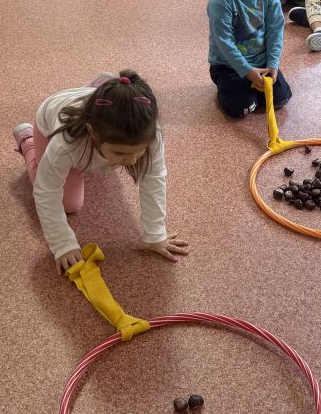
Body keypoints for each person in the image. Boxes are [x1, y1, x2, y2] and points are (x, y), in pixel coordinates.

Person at [11, 71, 188, 273]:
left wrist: (155, 234)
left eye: (139, 151)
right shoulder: (66, 143)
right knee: (69, 204)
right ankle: (28, 141)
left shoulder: (150, 132)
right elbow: (46, 190)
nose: (132, 161)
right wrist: (62, 244)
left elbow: (154, 178)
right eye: (121, 153)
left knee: (108, 160)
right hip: (50, 121)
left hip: (96, 112)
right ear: (93, 134)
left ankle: (102, 88)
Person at [207, 0, 291, 118]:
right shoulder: (220, 1)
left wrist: (273, 64)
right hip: (227, 66)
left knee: (281, 99)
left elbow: (275, 29)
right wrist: (247, 71)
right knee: (241, 107)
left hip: (262, 61)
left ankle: (252, 86)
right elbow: (225, 43)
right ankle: (227, 90)